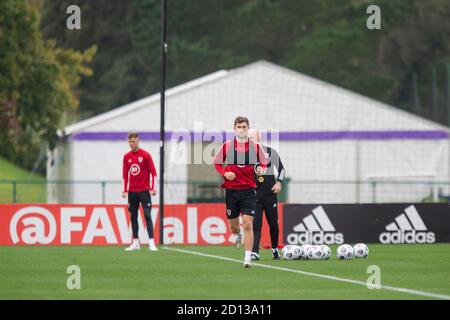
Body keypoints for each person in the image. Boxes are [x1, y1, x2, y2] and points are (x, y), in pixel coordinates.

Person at [214, 116, 268, 267]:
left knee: (248, 223)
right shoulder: (227, 146)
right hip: (232, 191)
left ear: (248, 128)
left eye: (244, 127)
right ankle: (237, 235)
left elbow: (264, 162)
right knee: (234, 227)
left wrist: (260, 170)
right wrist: (225, 173)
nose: (242, 129)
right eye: (239, 127)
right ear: (234, 129)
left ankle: (247, 258)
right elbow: (217, 163)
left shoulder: (256, 147)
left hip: (249, 190)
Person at [248, 130, 286, 261]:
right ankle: (255, 252)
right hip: (254, 196)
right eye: (249, 138)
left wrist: (279, 183)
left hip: (269, 195)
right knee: (256, 224)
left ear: (259, 137)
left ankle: (275, 249)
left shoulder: (270, 152)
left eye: (253, 137)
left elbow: (282, 169)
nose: (251, 140)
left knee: (273, 224)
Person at [122, 132, 158, 251]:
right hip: (132, 192)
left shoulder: (145, 155)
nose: (131, 144)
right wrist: (125, 190)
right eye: (129, 142)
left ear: (138, 140)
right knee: (133, 216)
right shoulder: (126, 157)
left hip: (144, 191)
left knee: (147, 215)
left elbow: (153, 173)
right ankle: (136, 242)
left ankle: (151, 242)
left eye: (133, 141)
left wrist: (152, 188)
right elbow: (125, 175)